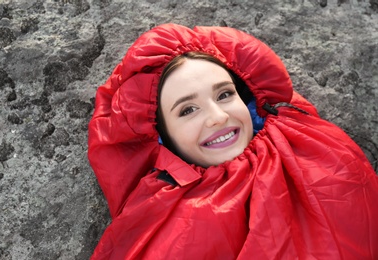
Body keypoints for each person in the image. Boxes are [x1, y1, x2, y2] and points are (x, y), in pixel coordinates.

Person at [88, 23, 378, 259]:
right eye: (188, 110)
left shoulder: (320, 153)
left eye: (224, 94)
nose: (217, 116)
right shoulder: (159, 223)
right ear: (163, 137)